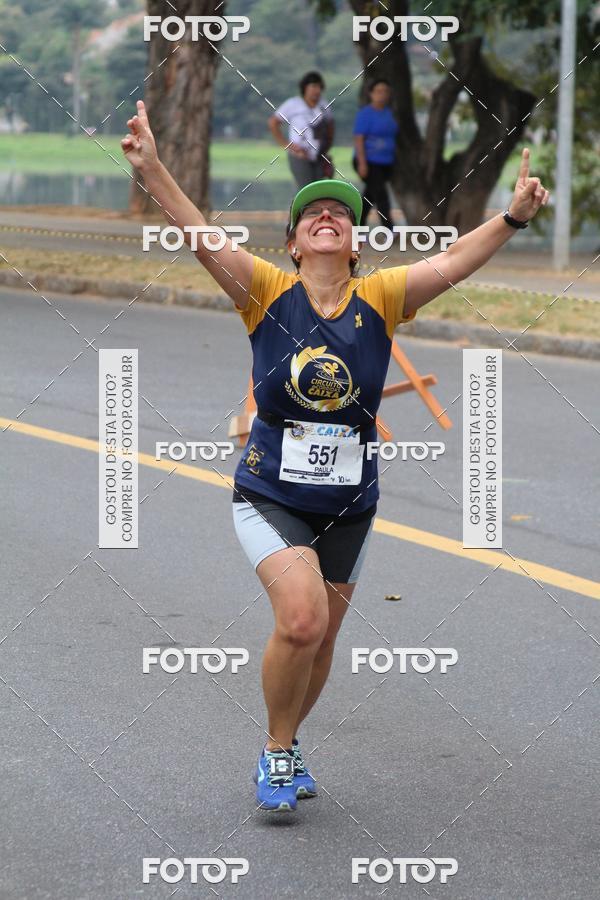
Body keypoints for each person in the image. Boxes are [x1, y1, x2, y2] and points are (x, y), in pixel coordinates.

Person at [122, 99, 549, 812]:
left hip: (350, 503)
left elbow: (452, 262)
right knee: (302, 620)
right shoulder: (265, 292)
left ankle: (287, 743)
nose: (328, 217)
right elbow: (201, 236)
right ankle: (275, 752)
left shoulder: (380, 297)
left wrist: (512, 218)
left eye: (341, 215)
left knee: (319, 644)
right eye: (313, 213)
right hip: (271, 493)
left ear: (353, 245)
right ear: (293, 244)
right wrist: (155, 171)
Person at [269, 71, 334, 188]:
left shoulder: (324, 106)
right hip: (300, 154)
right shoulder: (293, 104)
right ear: (305, 88)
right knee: (306, 189)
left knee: (320, 189)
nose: (317, 91)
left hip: (319, 155)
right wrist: (286, 145)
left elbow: (330, 127)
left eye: (319, 87)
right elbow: (273, 122)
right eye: (314, 86)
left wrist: (326, 148)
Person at [352, 79, 399, 227]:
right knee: (381, 195)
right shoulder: (365, 114)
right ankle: (389, 229)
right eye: (378, 91)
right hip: (369, 162)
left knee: (369, 197)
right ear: (371, 94)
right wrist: (362, 163)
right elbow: (359, 139)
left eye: (385, 91)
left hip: (386, 163)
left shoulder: (390, 114)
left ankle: (356, 225)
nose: (382, 95)